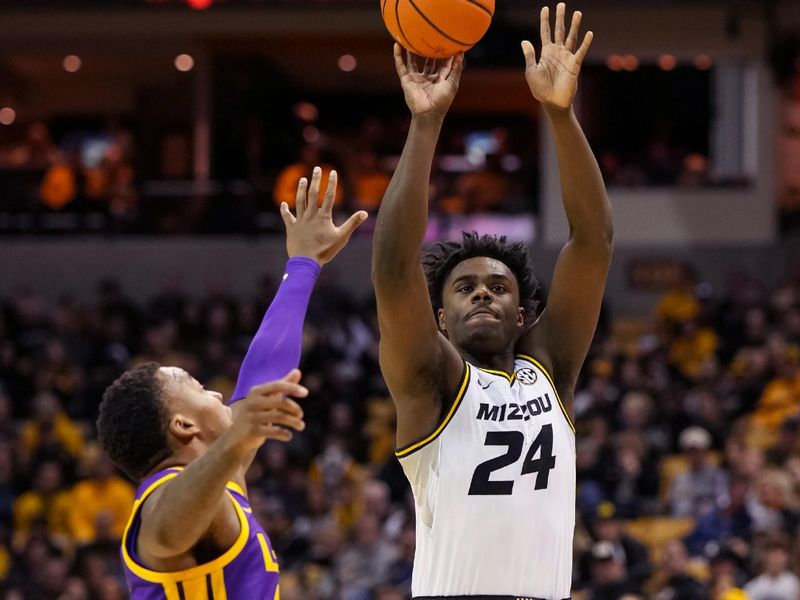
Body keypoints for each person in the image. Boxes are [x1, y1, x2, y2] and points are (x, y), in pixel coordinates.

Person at [371, 3, 612, 599]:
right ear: (439, 319)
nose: (482, 291)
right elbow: (393, 268)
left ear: (524, 315)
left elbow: (593, 240)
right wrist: (425, 124)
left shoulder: (548, 368)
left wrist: (560, 115)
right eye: (465, 287)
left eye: (499, 287)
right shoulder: (431, 383)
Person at [97, 169, 366, 599]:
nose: (219, 393)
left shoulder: (223, 474)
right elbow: (166, 530)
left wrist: (303, 266)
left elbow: (263, 375)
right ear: (184, 426)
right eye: (198, 387)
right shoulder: (160, 502)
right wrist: (233, 442)